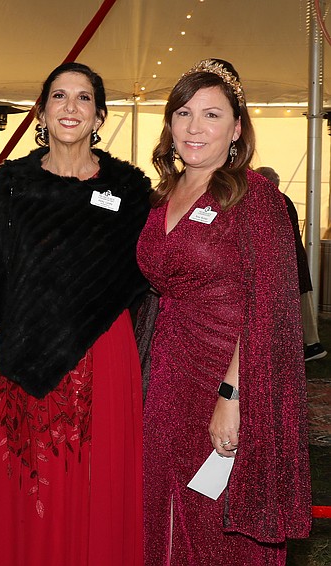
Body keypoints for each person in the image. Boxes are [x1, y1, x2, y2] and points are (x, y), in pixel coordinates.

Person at [0, 62, 150, 565]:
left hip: (104, 353)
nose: (71, 107)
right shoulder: (15, 181)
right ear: (42, 113)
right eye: (59, 97)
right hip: (26, 351)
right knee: (35, 483)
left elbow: (154, 267)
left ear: (98, 115)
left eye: (84, 98)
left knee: (101, 478)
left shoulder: (128, 187)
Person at [137, 59, 311, 564]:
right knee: (163, 506)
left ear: (237, 128)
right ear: (169, 125)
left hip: (225, 374)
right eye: (184, 113)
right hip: (163, 374)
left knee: (218, 522)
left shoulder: (256, 199)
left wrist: (233, 395)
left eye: (211, 115)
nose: (195, 127)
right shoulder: (160, 196)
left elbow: (273, 308)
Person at [255, 166, 327, 361]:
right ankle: (309, 345)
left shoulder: (272, 202)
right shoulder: (282, 200)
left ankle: (307, 346)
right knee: (301, 304)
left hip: (286, 263)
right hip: (292, 261)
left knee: (292, 307)